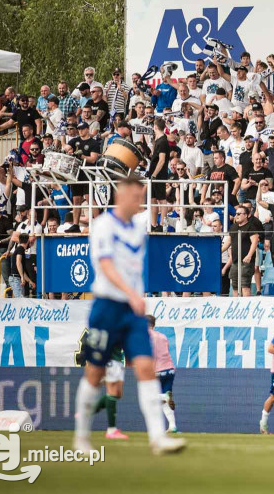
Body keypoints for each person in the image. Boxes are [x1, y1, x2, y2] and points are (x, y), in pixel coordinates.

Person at [72, 176, 185, 455]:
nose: (140, 202)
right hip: (108, 306)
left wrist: (138, 295)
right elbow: (106, 265)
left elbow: (134, 269)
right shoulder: (103, 226)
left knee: (147, 368)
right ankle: (81, 437)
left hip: (133, 312)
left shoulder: (137, 228)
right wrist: (130, 293)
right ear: (121, 195)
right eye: (137, 196)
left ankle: (158, 438)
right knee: (95, 373)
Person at [75, 328, 127, 440]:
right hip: (111, 360)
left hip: (117, 361)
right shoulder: (109, 323)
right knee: (112, 392)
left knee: (118, 394)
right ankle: (111, 430)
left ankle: (87, 411)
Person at [147, 316, 178, 434]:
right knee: (164, 400)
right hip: (170, 369)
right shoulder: (163, 336)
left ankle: (165, 397)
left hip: (157, 370)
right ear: (154, 324)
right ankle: (173, 426)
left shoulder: (146, 336)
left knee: (152, 397)